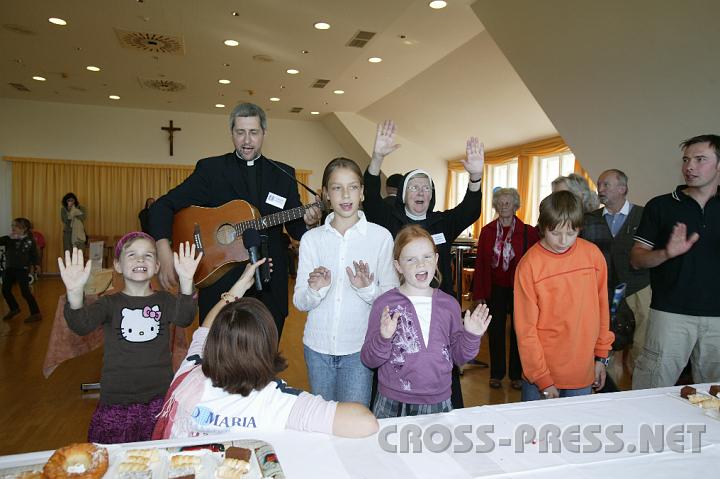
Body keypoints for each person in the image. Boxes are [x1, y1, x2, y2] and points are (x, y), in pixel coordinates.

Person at [152, 259, 379, 439]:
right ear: (267, 348)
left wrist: (238, 287)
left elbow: (206, 328)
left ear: (213, 345)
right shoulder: (276, 402)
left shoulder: (189, 373)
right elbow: (365, 422)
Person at [149, 103, 322, 335]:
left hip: (269, 283)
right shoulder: (211, 170)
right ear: (231, 132)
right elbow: (163, 206)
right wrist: (163, 249)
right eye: (240, 132)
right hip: (220, 281)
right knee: (218, 359)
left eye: (253, 132)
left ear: (264, 133)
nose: (247, 140)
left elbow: (296, 229)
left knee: (264, 357)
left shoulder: (283, 175)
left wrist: (310, 223)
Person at [362, 119, 484, 409]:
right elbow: (371, 200)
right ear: (404, 193)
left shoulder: (443, 221)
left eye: (426, 188)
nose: (420, 192)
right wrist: (377, 158)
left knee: (443, 367)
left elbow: (470, 209)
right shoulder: (391, 220)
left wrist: (476, 177)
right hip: (400, 310)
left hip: (439, 310)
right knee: (396, 365)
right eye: (414, 187)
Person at [59, 233, 199, 443]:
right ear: (117, 265)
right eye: (132, 254)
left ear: (157, 266)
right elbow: (81, 325)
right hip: (117, 401)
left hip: (158, 399)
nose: (140, 260)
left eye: (148, 256)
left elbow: (185, 318)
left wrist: (187, 282)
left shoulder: (164, 300)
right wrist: (75, 293)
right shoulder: (109, 303)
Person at [293, 158, 397, 406]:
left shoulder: (380, 237)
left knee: (354, 426)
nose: (345, 194)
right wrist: (315, 290)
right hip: (317, 349)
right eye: (337, 187)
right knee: (323, 425)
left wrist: (367, 289)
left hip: (359, 350)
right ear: (326, 194)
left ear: (362, 192)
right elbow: (299, 301)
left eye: (352, 187)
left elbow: (392, 299)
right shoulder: (311, 239)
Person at [361, 225, 491, 418]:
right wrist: (383, 338)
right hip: (392, 401)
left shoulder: (450, 305)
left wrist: (471, 336)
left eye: (427, 257)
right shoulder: (384, 305)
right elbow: (368, 359)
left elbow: (458, 356)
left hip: (438, 401)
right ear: (398, 266)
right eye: (411, 259)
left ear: (436, 260)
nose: (420, 264)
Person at [631, 134, 720, 389]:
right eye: (686, 159)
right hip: (670, 315)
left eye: (700, 159)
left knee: (714, 396)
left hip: (718, 320)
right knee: (650, 390)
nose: (689, 166)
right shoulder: (661, 206)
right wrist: (666, 253)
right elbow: (636, 259)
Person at [514, 191, 614, 401]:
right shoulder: (529, 265)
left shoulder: (593, 255)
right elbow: (526, 330)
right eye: (555, 233)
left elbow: (603, 308)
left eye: (571, 233)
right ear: (542, 227)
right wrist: (542, 378)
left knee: (574, 433)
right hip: (541, 374)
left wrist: (601, 357)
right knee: (535, 433)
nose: (562, 241)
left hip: (582, 372)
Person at [581, 169, 650, 376]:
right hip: (602, 290)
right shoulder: (589, 219)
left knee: (642, 342)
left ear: (623, 188)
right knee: (606, 339)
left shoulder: (644, 215)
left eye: (606, 185)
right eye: (599, 185)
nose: (600, 189)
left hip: (639, 288)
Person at [472, 188, 538, 390]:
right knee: (496, 330)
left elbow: (534, 264)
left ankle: (517, 374)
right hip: (495, 288)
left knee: (519, 331)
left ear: (516, 206)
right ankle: (497, 373)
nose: (504, 206)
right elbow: (482, 264)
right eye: (500, 203)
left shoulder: (528, 232)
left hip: (520, 289)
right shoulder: (488, 231)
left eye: (508, 203)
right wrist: (479, 294)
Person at [1, 218, 41, 322]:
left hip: (22, 269)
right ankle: (14, 308)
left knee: (25, 292)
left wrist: (36, 265)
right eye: (12, 225)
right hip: (9, 269)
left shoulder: (29, 241)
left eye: (16, 226)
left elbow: (34, 254)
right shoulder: (8, 239)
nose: (13, 228)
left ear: (24, 228)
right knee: (5, 290)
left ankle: (36, 313)